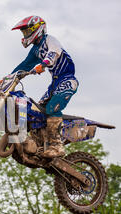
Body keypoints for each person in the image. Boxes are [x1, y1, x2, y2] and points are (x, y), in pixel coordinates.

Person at [11, 15, 79, 158]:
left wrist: (42, 65)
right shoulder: (35, 49)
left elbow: (53, 54)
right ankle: (39, 144)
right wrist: (9, 77)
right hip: (54, 84)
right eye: (24, 33)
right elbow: (25, 65)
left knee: (51, 108)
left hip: (67, 80)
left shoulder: (50, 40)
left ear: (38, 29)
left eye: (27, 31)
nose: (25, 35)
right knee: (36, 111)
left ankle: (56, 145)